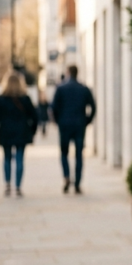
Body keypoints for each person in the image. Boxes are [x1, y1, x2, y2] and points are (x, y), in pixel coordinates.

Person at [0, 72, 37, 197]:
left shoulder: (1, 98)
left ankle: (7, 184)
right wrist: (33, 131)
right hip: (22, 132)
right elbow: (34, 116)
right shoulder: (25, 98)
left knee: (7, 158)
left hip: (6, 132)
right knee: (20, 159)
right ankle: (18, 187)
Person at [51, 65, 96, 194]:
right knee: (79, 155)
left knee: (64, 153)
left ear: (68, 73)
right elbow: (93, 107)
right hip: (79, 125)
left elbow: (53, 107)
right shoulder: (84, 89)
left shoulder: (60, 88)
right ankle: (77, 183)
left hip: (64, 125)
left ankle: (66, 176)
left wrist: (57, 121)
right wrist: (87, 120)